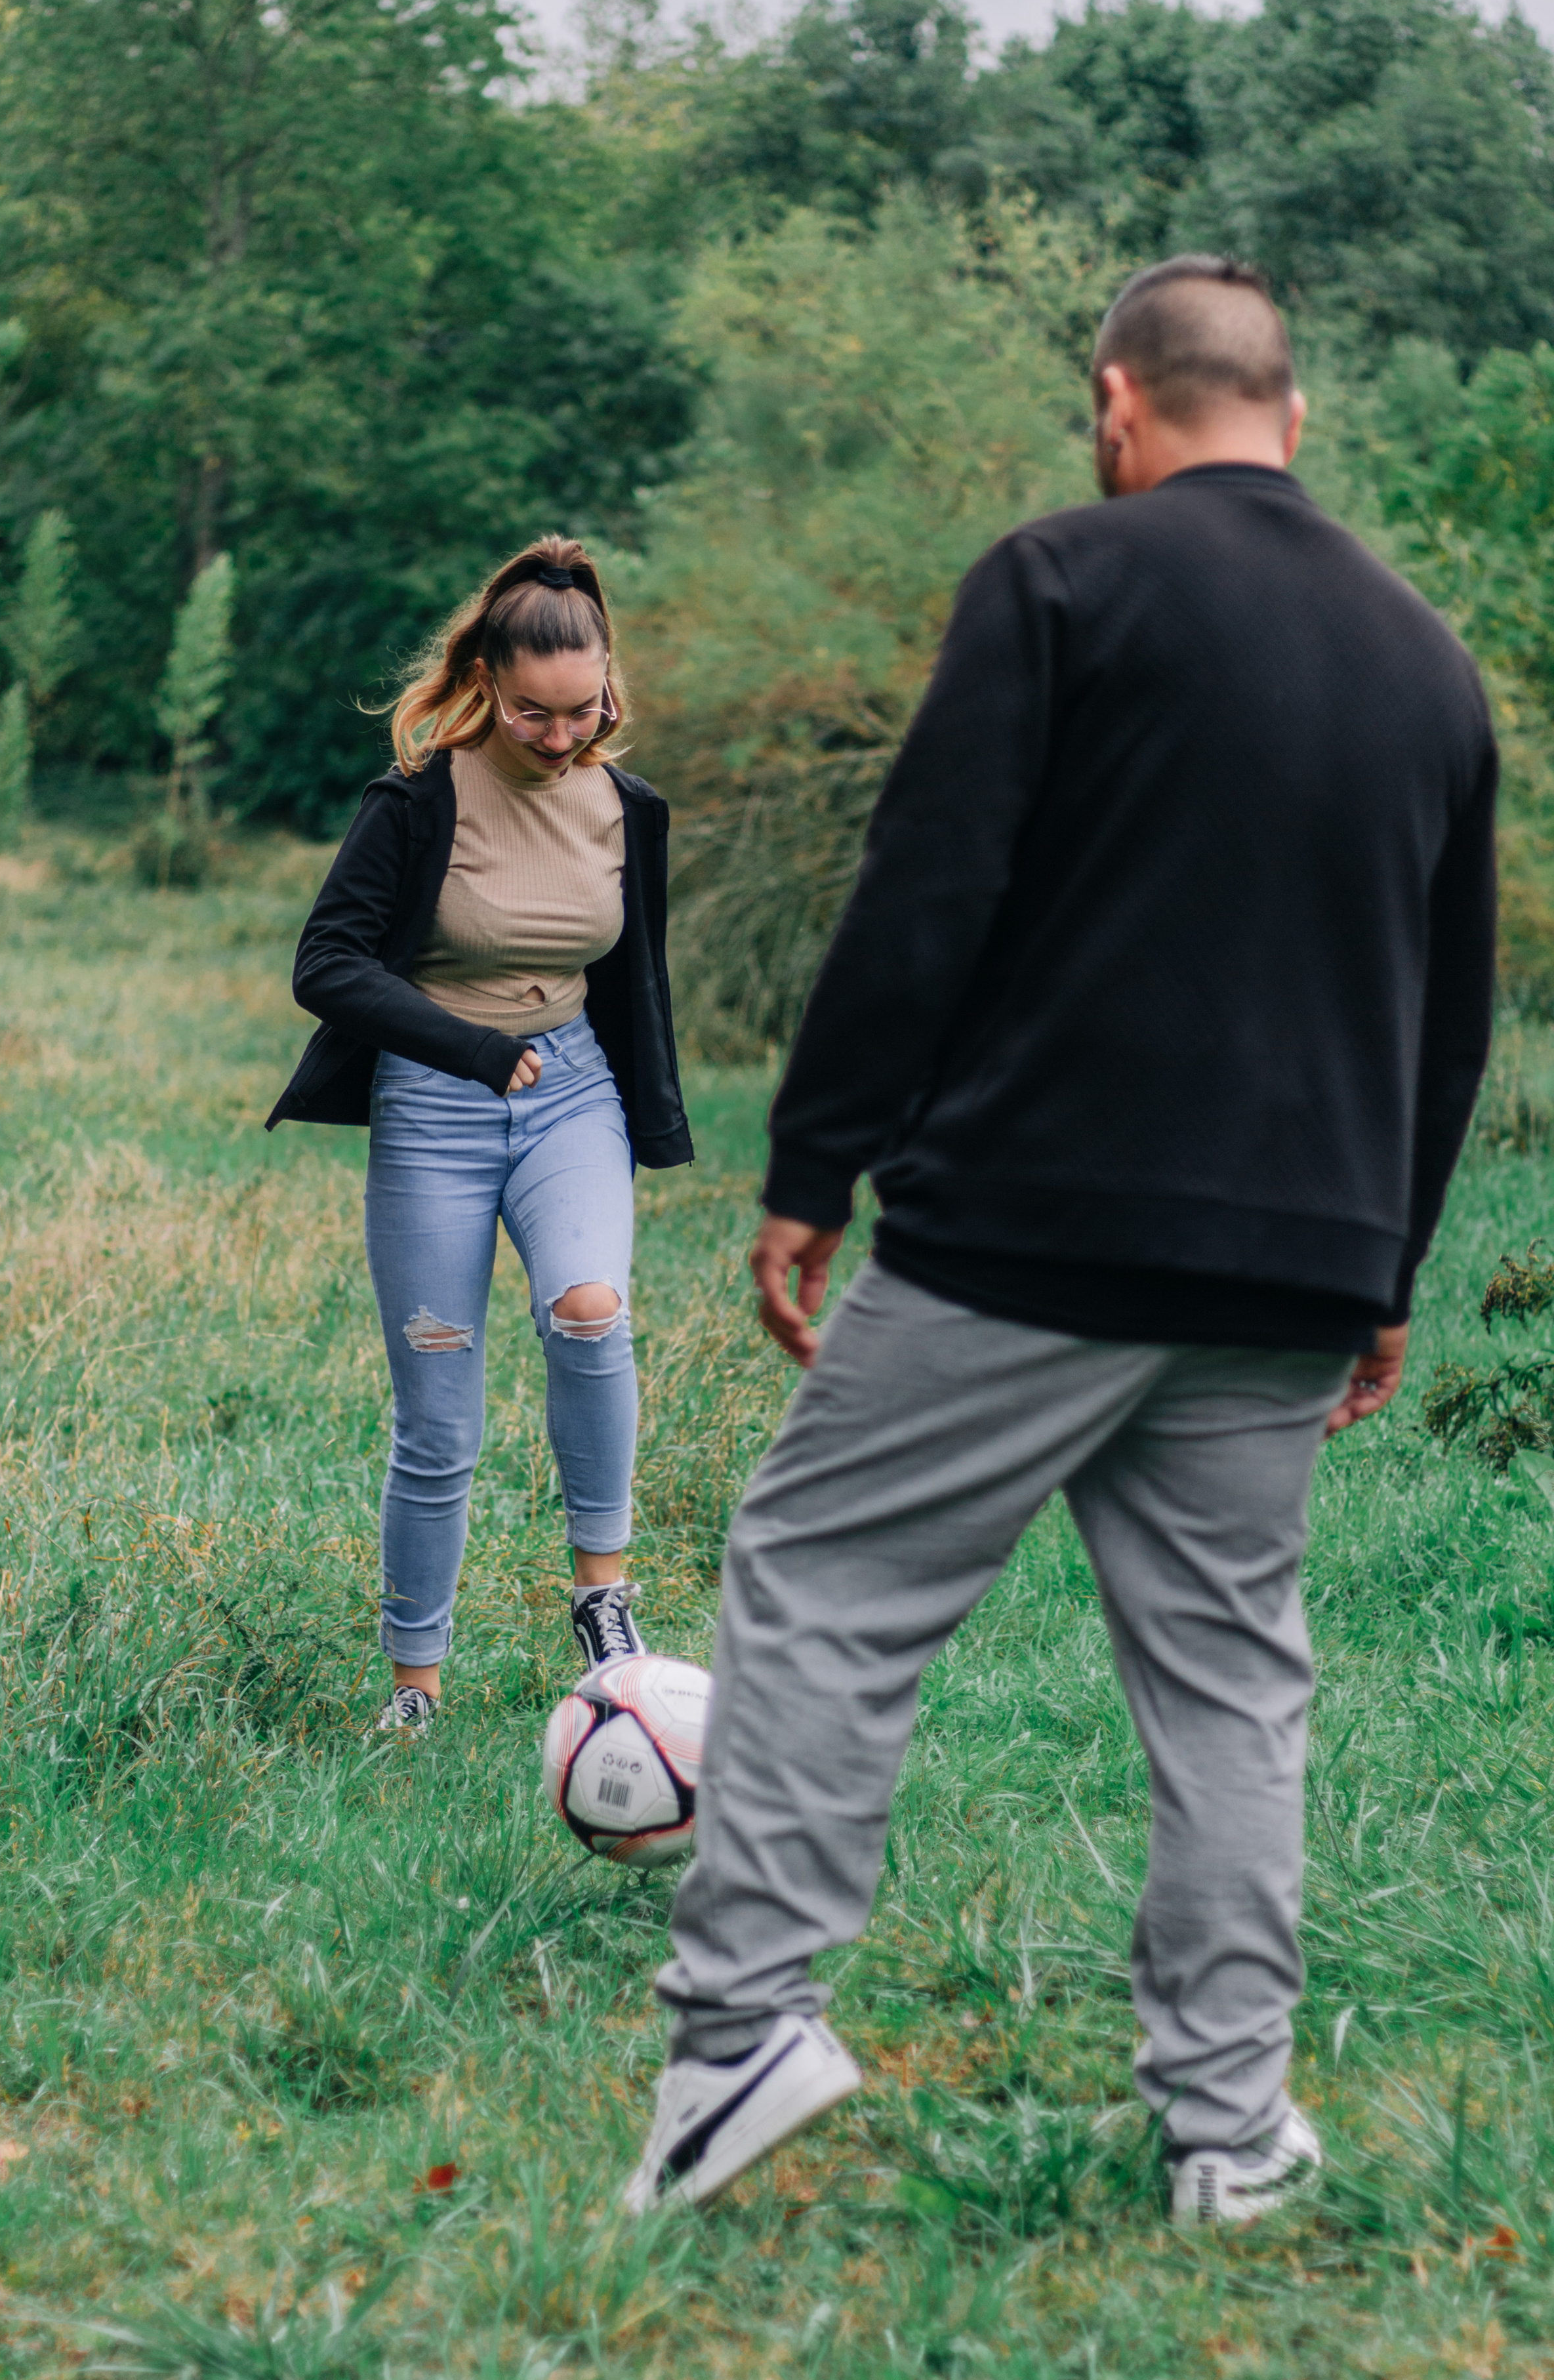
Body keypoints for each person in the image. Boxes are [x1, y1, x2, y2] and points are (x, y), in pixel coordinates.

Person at [623, 258, 1497, 2226]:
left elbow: (930, 885)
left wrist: (810, 1171)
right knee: (1230, 1687)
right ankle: (1230, 2138)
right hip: (1295, 1264)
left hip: (1029, 1230)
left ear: (1121, 403)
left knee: (829, 1575)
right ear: (1298, 416)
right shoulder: (1432, 665)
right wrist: (1387, 1271)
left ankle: (742, 2034)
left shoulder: (1063, 581)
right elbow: (1450, 1018)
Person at [267, 537, 693, 1732]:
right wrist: (464, 1048)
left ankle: (604, 1599)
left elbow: (633, 979)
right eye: (531, 714)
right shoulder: (417, 802)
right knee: (440, 1412)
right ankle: (416, 1688)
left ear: (609, 681)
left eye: (583, 710)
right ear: (485, 684)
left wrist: (628, 1099)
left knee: (590, 1310)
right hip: (435, 1105)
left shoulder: (627, 809)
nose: (561, 737)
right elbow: (326, 964)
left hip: (570, 1092)